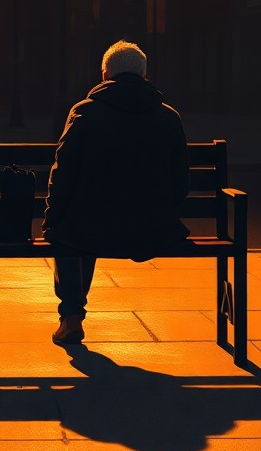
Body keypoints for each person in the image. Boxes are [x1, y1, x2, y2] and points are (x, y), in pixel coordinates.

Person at [42, 40, 191, 344]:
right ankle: (70, 315)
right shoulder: (169, 117)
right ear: (144, 75)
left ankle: (71, 316)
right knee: (78, 223)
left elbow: (63, 172)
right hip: (152, 230)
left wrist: (51, 217)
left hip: (90, 229)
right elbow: (181, 183)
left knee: (68, 228)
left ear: (105, 74)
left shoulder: (84, 113)